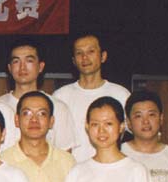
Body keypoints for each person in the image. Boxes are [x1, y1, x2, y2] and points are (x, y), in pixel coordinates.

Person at [53, 34, 130, 162]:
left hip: (110, 168)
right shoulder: (60, 96)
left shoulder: (121, 94)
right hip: (71, 170)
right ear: (74, 60)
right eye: (79, 53)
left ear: (103, 56)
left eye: (91, 51)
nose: (85, 57)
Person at [0, 38, 76, 151]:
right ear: (9, 68)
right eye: (16, 61)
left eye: (29, 61)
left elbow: (65, 154)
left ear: (40, 67)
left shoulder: (58, 107)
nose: (22, 67)